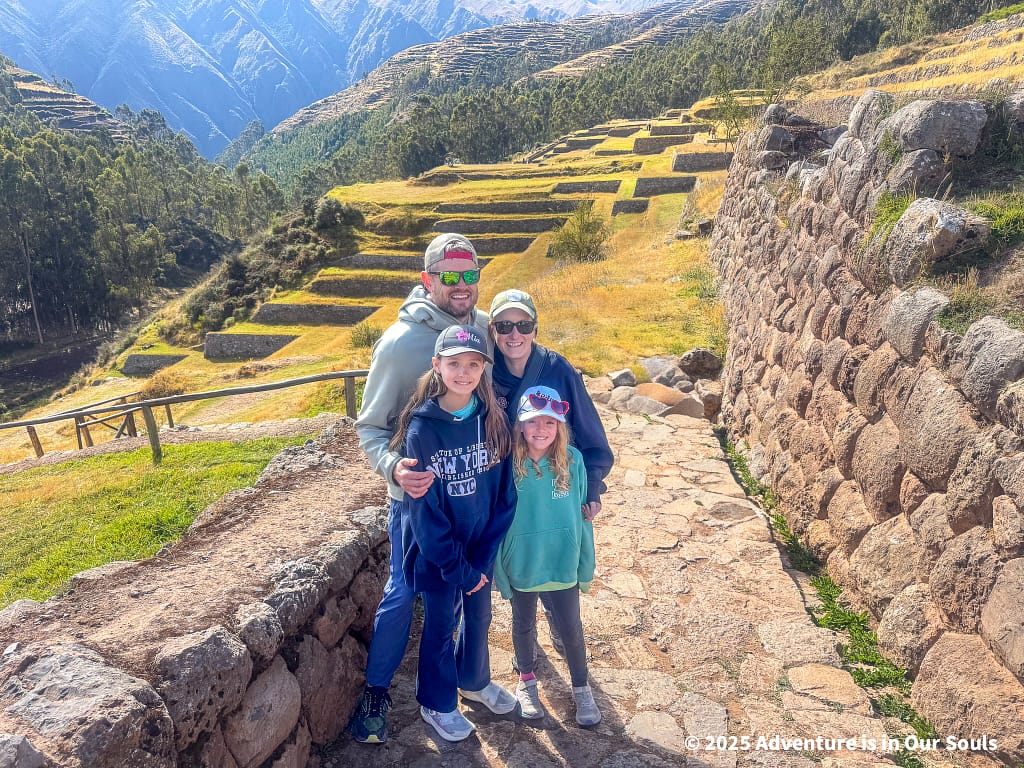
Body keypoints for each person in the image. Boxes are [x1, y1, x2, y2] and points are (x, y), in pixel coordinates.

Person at [350, 233, 492, 743]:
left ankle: (458, 682)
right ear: (428, 279)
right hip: (414, 501)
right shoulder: (400, 344)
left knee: (458, 589)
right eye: (449, 275)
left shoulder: (480, 332)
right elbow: (369, 426)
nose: (461, 285)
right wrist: (393, 468)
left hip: (467, 493)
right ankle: (376, 693)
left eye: (469, 274)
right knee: (403, 592)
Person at [394, 324, 518, 741]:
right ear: (437, 366)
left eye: (472, 364)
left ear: (483, 368)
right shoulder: (423, 429)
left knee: (479, 619)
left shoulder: (493, 417)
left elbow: (504, 493)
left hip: (478, 551)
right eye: (454, 364)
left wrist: (482, 557)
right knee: (441, 627)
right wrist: (458, 566)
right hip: (439, 556)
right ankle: (437, 702)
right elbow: (424, 512)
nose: (463, 372)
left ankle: (474, 681)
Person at [487, 289, 613, 656]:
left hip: (556, 486)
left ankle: (560, 627)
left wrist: (592, 489)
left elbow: (588, 431)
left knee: (557, 562)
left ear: (535, 329)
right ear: (493, 331)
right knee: (521, 563)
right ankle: (526, 643)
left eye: (523, 325)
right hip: (513, 492)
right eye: (504, 325)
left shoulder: (558, 369)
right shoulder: (484, 372)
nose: (514, 334)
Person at [493, 385, 601, 726]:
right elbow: (495, 520)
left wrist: (585, 563)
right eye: (534, 421)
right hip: (522, 562)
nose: (541, 429)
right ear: (520, 426)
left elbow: (582, 518)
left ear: (560, 428)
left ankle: (582, 688)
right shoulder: (506, 464)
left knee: (571, 627)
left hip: (561, 561)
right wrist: (500, 571)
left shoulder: (574, 462)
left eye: (550, 423)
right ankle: (526, 681)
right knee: (523, 625)